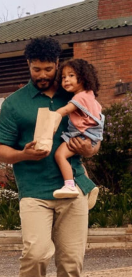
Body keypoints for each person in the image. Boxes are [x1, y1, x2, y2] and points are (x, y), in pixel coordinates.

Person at [0, 37, 99, 277]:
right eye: (36, 69)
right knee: (36, 255)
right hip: (35, 193)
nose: (43, 74)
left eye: (48, 69)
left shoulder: (75, 95)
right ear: (28, 66)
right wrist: (23, 154)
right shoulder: (15, 103)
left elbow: (94, 138)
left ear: (57, 64)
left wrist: (88, 149)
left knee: (70, 263)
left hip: (72, 188)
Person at [52, 59, 104, 199]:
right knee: (77, 162)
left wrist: (51, 119)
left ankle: (69, 186)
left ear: (83, 77)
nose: (66, 80)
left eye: (71, 76)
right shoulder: (89, 95)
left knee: (60, 155)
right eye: (63, 77)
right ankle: (88, 188)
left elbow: (65, 110)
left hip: (82, 135)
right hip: (91, 136)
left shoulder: (80, 97)